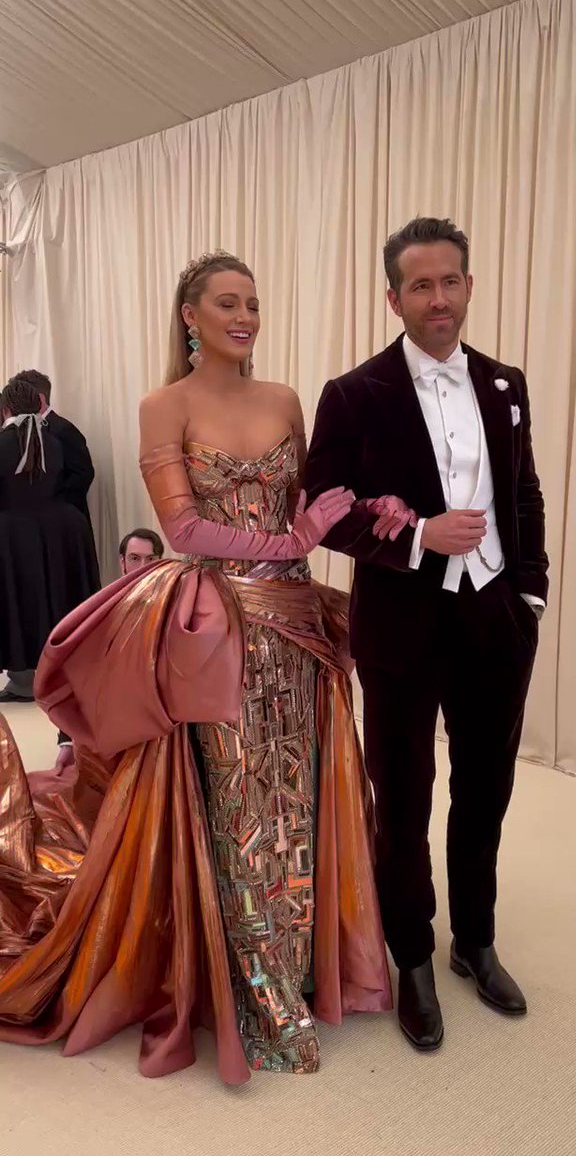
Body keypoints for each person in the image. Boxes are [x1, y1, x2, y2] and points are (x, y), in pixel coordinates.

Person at [0, 251, 398, 1084]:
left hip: (297, 627)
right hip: (219, 631)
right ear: (190, 315)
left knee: (298, 799)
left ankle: (300, 965)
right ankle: (255, 993)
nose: (244, 315)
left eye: (251, 302)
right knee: (238, 803)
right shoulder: (164, 405)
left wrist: (370, 508)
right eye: (226, 302)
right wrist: (292, 541)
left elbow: (308, 501)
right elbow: (182, 529)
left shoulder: (283, 398)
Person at [304, 217, 549, 1052]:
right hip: (401, 627)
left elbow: (523, 491)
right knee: (402, 801)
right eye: (420, 285)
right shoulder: (352, 393)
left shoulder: (506, 383)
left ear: (468, 286)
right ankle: (410, 955)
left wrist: (529, 593)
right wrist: (415, 537)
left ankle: (473, 941)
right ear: (393, 298)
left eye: (449, 282)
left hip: (495, 619)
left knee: (485, 790)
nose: (437, 298)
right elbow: (324, 508)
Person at [0, 379, 101, 704]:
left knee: (20, 602)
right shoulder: (53, 440)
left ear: (6, 409)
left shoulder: (4, 443)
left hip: (13, 535)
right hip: (59, 531)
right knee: (56, 599)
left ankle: (23, 679)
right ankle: (59, 674)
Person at [6, 369, 96, 525]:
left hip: (63, 525)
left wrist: (52, 507)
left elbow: (82, 475)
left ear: (40, 399)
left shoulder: (63, 430)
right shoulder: (20, 433)